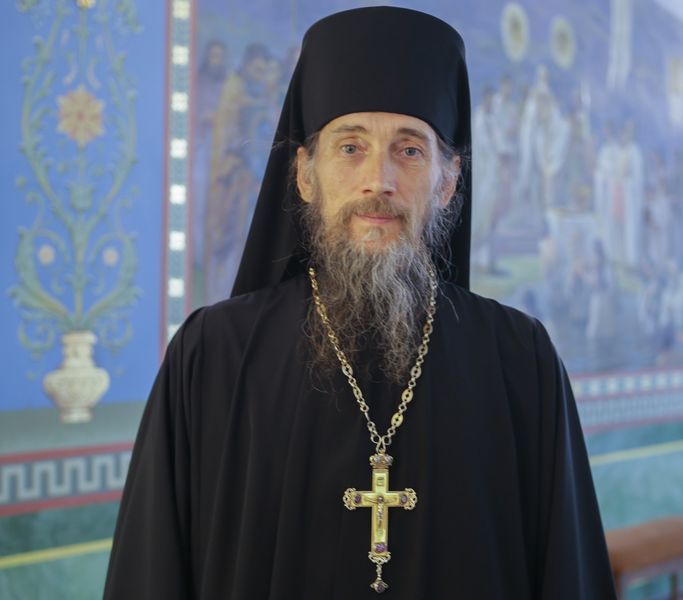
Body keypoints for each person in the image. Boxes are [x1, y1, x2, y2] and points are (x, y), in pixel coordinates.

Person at [104, 8, 616, 599]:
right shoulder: (212, 356)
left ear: (448, 182)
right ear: (305, 174)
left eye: (410, 151)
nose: (379, 180)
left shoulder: (520, 360)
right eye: (350, 147)